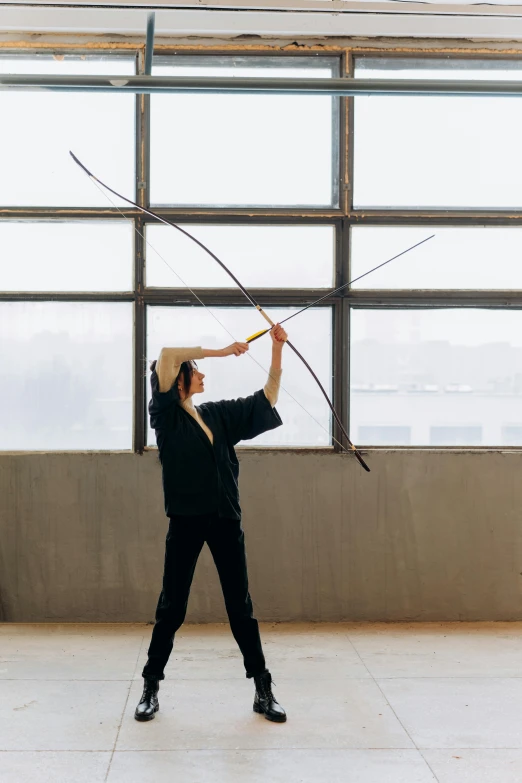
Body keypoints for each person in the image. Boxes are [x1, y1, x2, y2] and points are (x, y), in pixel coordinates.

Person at [135, 324, 288, 724]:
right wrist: (222, 350)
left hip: (224, 518)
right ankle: (151, 686)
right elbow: (168, 352)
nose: (203, 375)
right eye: (196, 371)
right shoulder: (165, 416)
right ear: (179, 380)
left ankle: (262, 687)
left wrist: (276, 351)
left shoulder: (215, 415)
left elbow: (267, 397)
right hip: (186, 521)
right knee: (172, 607)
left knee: (241, 606)